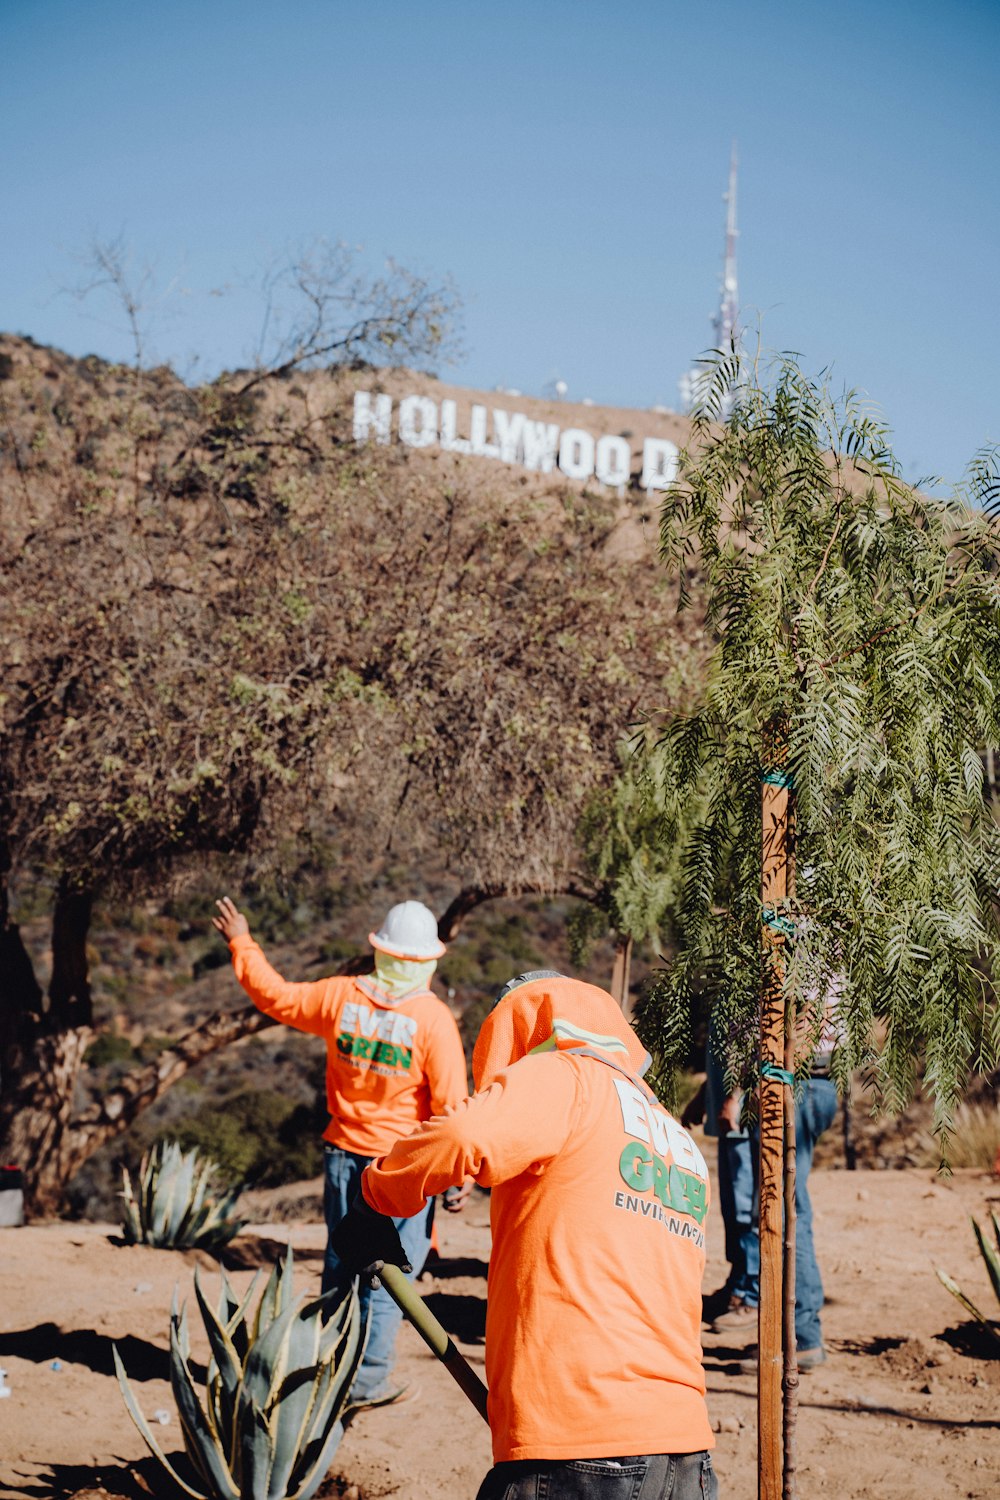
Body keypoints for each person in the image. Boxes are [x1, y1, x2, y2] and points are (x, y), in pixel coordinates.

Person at [332, 970, 720, 1500]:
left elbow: (462, 1133)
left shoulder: (566, 1076)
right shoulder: (677, 1141)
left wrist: (376, 1196)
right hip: (684, 1455)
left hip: (580, 1446)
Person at [212, 894, 471, 1408]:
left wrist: (241, 941)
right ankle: (369, 1380)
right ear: (427, 960)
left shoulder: (341, 998)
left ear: (380, 950)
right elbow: (452, 1110)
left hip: (344, 1157)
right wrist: (458, 1176)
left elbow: (276, 997)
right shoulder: (433, 1020)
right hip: (403, 1169)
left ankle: (323, 1367)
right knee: (394, 1277)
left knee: (341, 1264)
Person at [682, 1021, 758, 1330]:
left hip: (742, 1116)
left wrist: (736, 1098)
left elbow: (751, 1047)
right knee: (730, 1204)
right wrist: (704, 1096)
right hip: (726, 1114)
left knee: (744, 1207)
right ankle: (737, 1281)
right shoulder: (726, 983)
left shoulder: (749, 983)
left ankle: (752, 1292)